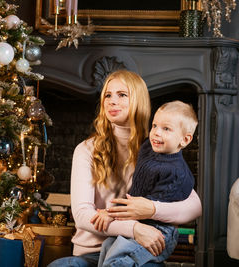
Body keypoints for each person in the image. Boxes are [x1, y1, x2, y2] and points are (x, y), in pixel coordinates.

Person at [47, 70, 202, 267]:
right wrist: (135, 228)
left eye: (122, 95)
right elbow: (82, 216)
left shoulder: (157, 146)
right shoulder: (86, 149)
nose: (112, 101)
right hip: (92, 253)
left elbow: (195, 206)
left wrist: (151, 209)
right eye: (108, 95)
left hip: (135, 251)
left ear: (138, 100)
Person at [93, 100, 198, 267]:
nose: (156, 133)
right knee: (107, 246)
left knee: (117, 261)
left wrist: (110, 213)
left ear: (184, 140)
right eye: (155, 125)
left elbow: (140, 208)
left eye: (166, 129)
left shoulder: (176, 173)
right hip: (138, 223)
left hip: (159, 232)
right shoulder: (149, 146)